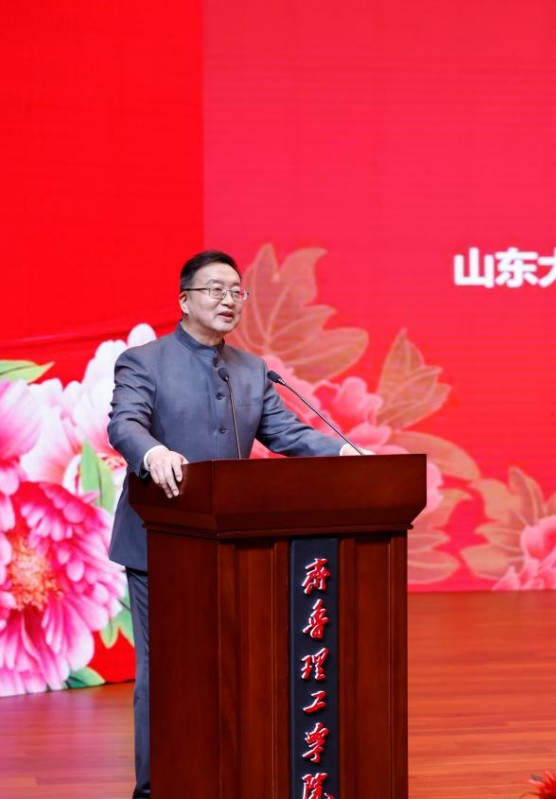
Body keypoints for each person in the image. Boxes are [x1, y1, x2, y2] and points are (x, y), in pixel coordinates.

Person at [106, 250, 362, 799]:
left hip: (233, 546)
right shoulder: (142, 361)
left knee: (229, 667)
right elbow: (125, 424)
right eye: (215, 290)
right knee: (165, 669)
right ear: (184, 300)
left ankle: (223, 777)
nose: (228, 300)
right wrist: (153, 453)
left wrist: (346, 454)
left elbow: (287, 433)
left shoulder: (251, 369)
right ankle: (157, 788)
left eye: (236, 291)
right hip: (161, 542)